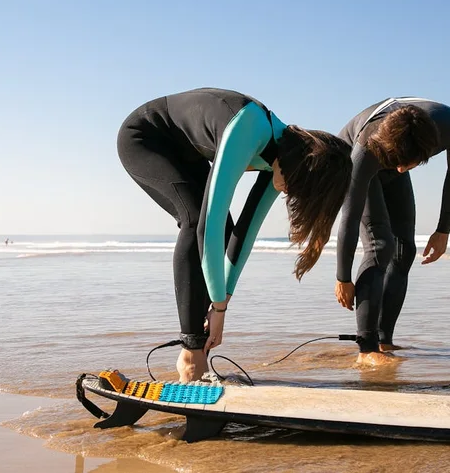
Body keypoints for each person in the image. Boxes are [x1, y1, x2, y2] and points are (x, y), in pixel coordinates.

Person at [118, 88, 353, 382]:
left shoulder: (283, 159)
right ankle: (191, 356)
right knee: (194, 220)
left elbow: (245, 232)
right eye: (300, 186)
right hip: (146, 137)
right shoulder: (247, 127)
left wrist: (223, 303)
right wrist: (216, 306)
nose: (292, 192)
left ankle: (196, 351)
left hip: (186, 149)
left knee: (223, 229)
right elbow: (208, 226)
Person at [335, 97, 450, 366]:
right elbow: (349, 217)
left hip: (395, 148)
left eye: (406, 165)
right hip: (356, 155)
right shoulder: (367, 146)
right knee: (380, 245)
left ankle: (385, 339)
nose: (399, 170)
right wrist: (343, 277)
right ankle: (367, 348)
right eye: (398, 163)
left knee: (404, 250)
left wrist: (443, 230)